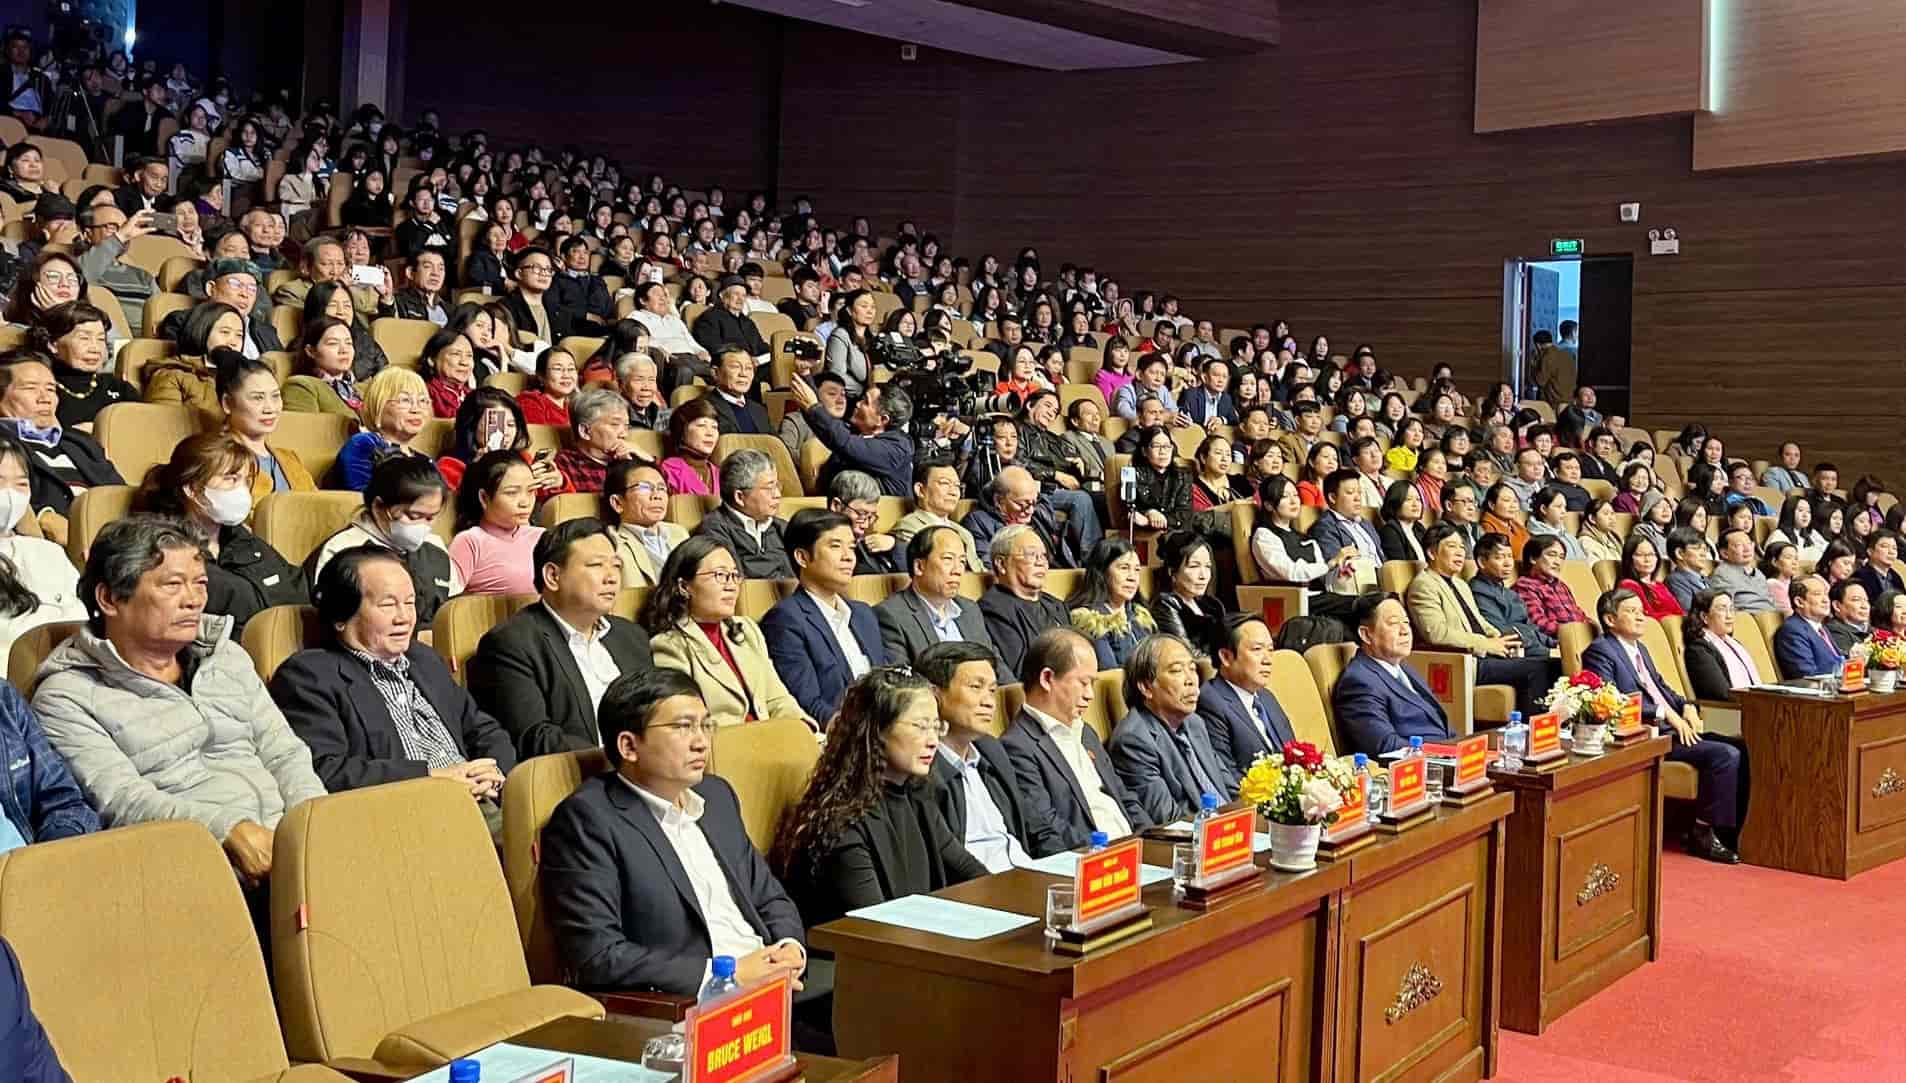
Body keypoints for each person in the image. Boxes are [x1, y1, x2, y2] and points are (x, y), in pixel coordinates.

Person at [33, 516, 326, 885]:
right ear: (109, 598)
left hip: (290, 849)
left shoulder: (228, 657)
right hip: (190, 870)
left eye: (200, 583)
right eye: (173, 585)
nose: (193, 600)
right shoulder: (66, 696)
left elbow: (284, 752)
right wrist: (226, 831)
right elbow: (121, 800)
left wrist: (312, 823)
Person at [539, 668, 809, 998]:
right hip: (687, 1003)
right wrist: (726, 975)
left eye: (705, 725)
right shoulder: (588, 820)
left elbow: (768, 895)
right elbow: (597, 954)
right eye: (683, 727)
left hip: (774, 983)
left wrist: (789, 948)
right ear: (629, 746)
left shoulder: (717, 796)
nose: (701, 742)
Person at [271, 545, 513, 830]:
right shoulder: (309, 675)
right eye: (388, 605)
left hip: (481, 798)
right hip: (406, 816)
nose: (404, 618)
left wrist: (493, 769)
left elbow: (481, 727)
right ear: (341, 614)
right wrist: (432, 778)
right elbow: (326, 769)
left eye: (409, 603)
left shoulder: (424, 659)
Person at [772, 666, 986, 929]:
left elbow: (968, 870)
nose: (932, 741)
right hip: (859, 961)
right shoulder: (842, 824)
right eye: (920, 727)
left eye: (935, 727)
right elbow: (878, 926)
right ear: (877, 731)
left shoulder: (917, 794)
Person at [469, 519, 655, 758]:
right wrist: (623, 759)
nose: (612, 578)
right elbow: (534, 737)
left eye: (617, 566)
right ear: (553, 576)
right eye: (596, 565)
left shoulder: (632, 636)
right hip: (579, 779)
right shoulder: (511, 643)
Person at [1582, 588, 1744, 863]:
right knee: (1724, 755)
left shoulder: (1640, 649)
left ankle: (1731, 831)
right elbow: (1612, 700)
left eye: (1641, 611)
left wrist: (1687, 705)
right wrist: (1666, 715)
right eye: (1632, 612)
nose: (1641, 617)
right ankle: (1702, 833)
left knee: (1740, 745)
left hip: (1673, 728)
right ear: (1610, 619)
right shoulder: (1600, 651)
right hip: (1646, 734)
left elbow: (1662, 688)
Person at [131, 433, 306, 636]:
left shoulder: (243, 540)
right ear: (193, 489)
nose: (241, 490)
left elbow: (296, 590)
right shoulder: (162, 550)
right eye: (230, 479)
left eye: (245, 480)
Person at [1000, 628, 1151, 854]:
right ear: (1047, 678)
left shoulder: (1085, 732)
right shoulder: (1017, 746)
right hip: (1092, 859)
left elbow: (1124, 797)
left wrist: (1150, 840)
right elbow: (1046, 828)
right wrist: (1105, 854)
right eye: (1083, 683)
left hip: (1132, 851)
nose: (1091, 694)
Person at [644, 536, 810, 730]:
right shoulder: (670, 645)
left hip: (773, 740)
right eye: (720, 575)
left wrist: (802, 732)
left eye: (734, 576)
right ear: (684, 586)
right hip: (726, 750)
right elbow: (691, 724)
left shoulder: (746, 629)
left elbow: (778, 699)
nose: (731, 586)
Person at [918, 640, 1049, 869]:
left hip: (1025, 873)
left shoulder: (992, 751)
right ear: (934, 694)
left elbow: (1032, 826)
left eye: (992, 690)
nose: (989, 702)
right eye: (976, 687)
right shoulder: (921, 766)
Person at [1407, 524, 1554, 716]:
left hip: (1485, 653)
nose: (1460, 553)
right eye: (1452, 546)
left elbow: (1479, 622)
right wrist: (1487, 644)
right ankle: (1530, 732)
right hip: (1465, 661)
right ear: (1432, 552)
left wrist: (1498, 638)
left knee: (1554, 662)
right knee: (1540, 668)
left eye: (1462, 547)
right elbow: (1436, 633)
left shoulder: (1460, 584)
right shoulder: (1424, 585)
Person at [762, 509, 887, 725]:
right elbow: (807, 703)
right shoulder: (785, 620)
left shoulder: (864, 613)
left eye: (852, 547)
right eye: (835, 546)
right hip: (843, 736)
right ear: (802, 557)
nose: (848, 557)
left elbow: (887, 680)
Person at [310, 455, 462, 626]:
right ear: (378, 507)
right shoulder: (343, 549)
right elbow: (330, 620)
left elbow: (454, 616)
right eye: (414, 516)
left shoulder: (436, 549)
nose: (423, 527)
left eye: (430, 518)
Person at [1110, 634, 1239, 824]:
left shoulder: (1195, 723)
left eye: (1193, 669)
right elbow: (1168, 821)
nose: (1191, 680)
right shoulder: (1133, 741)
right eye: (1177, 671)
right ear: (1146, 687)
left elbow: (1230, 789)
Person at [0, 350, 124, 546]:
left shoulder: (81, 442)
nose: (45, 398)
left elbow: (119, 495)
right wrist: (43, 516)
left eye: (50, 389)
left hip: (113, 541)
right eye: (30, 388)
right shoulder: (3, 444)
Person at [873, 523, 1006, 678]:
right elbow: (902, 685)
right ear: (919, 566)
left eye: (962, 561)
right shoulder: (891, 615)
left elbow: (996, 665)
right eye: (948, 559)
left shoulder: (970, 609)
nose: (957, 570)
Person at [1332, 593, 1453, 756]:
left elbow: (1441, 725)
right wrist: (1440, 753)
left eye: (1406, 622)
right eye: (1394, 623)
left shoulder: (1402, 667)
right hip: (1417, 767)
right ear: (1366, 635)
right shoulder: (1358, 681)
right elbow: (1384, 744)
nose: (1405, 631)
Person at [1196, 614, 1299, 778]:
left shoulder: (1266, 697)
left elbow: (1294, 754)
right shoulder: (1210, 702)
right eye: (1257, 649)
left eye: (1271, 650)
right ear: (1226, 657)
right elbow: (1226, 776)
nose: (1268, 660)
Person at [791, 374, 913, 498]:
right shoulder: (857, 432)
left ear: (882, 419)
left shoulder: (897, 447)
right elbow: (823, 425)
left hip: (882, 515)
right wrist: (805, 374)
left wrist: (813, 407)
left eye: (866, 402)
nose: (858, 404)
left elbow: (842, 440)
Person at [447, 450, 545, 597]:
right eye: (512, 493)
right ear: (484, 498)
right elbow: (447, 605)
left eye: (531, 491)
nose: (525, 502)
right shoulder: (470, 541)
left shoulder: (544, 537)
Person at [979, 524, 1071, 679]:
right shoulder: (993, 609)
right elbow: (1023, 671)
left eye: (1043, 556)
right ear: (1001, 564)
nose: (1041, 562)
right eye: (1031, 555)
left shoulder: (1057, 605)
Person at [695, 447, 792, 579]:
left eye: (777, 486)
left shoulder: (782, 527)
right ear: (740, 497)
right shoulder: (715, 529)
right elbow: (732, 581)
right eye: (769, 488)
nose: (778, 495)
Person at [37, 301, 133, 430]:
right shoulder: (40, 389)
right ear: (52, 344)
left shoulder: (118, 386)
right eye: (84, 338)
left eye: (101, 339)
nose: (95, 348)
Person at [333, 367, 431, 491]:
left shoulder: (425, 460)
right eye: (405, 400)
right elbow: (362, 497)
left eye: (423, 400)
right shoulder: (364, 444)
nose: (416, 409)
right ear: (378, 405)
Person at [1067, 537, 1157, 670]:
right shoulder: (1091, 621)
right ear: (1102, 572)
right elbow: (1111, 674)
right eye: (1124, 568)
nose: (1132, 577)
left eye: (1137, 570)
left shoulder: (1141, 616)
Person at [604, 457, 687, 589]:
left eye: (661, 488)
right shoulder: (613, 543)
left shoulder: (680, 533)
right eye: (644, 487)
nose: (657, 495)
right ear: (618, 503)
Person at [1469, 532, 1553, 658]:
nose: (1508, 563)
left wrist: (1553, 643)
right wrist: (1547, 650)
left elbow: (1530, 627)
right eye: (1500, 557)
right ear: (1482, 562)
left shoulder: (1510, 594)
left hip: (1529, 648)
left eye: (1510, 556)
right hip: (1507, 654)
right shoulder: (1478, 591)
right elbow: (1503, 633)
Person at [1148, 530, 1227, 664]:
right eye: (1194, 566)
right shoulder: (1165, 604)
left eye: (1207, 567)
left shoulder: (1212, 605)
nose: (1203, 576)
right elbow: (1187, 653)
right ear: (1172, 572)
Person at [1681, 589, 1764, 702]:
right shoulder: (1698, 650)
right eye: (1722, 609)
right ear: (1704, 617)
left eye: (1731, 609)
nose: (1729, 616)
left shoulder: (1734, 644)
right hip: (1727, 713)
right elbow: (1721, 694)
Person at [1511, 534, 1591, 639]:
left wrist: (1591, 627)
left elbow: (1579, 614)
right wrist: (1574, 631)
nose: (1558, 562)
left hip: (1580, 638)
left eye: (1561, 557)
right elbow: (1538, 623)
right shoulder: (1524, 586)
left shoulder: (1561, 585)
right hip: (1560, 641)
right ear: (1533, 558)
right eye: (1551, 555)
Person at [283, 315, 362, 418]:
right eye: (333, 343)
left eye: (348, 343)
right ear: (311, 351)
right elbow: (303, 431)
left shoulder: (363, 389)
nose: (344, 350)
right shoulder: (301, 386)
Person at [1774, 575, 1845, 678]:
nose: (1826, 600)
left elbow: (1835, 660)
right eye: (1817, 594)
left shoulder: (1821, 628)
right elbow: (1807, 675)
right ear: (1799, 602)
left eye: (1826, 594)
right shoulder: (1792, 630)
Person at [658, 396, 722, 498]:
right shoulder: (669, 469)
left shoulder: (719, 474)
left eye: (714, 427)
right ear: (682, 431)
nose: (710, 433)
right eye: (701, 425)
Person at [1707, 528, 1778, 614]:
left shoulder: (1759, 574)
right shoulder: (1721, 575)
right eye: (1739, 545)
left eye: (1749, 543)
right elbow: (1727, 611)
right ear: (1725, 553)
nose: (1747, 549)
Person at [517, 346, 579, 427]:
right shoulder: (530, 401)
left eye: (571, 369)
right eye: (558, 369)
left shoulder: (577, 406)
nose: (566, 375)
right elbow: (538, 437)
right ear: (541, 376)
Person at [1664, 526, 1712, 614]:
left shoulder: (1707, 580)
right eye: (1696, 548)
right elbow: (1690, 612)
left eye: (1705, 549)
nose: (1703, 554)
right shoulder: (1675, 580)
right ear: (1679, 553)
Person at [1378, 479, 1428, 562]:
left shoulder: (1419, 529)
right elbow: (1401, 568)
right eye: (1408, 499)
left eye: (1418, 499)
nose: (1415, 504)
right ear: (1395, 502)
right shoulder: (1389, 532)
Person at [1854, 530, 1906, 601]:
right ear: (1870, 551)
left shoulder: (1896, 577)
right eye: (1885, 546)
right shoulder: (1860, 577)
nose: (1891, 552)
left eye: (1894, 548)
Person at [1826, 579, 1871, 655]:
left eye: (1866, 600)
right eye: (1856, 600)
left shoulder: (1874, 631)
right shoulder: (1834, 631)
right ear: (1837, 606)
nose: (1864, 606)